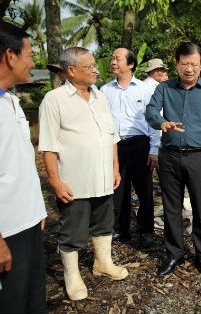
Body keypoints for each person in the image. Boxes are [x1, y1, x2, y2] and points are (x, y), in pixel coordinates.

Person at [39, 47, 128, 301]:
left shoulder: (100, 97)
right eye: (88, 66)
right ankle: (72, 275)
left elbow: (111, 135)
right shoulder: (54, 100)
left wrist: (115, 167)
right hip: (74, 180)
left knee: (104, 222)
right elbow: (48, 145)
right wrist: (55, 181)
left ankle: (103, 263)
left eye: (93, 65)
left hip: (102, 176)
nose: (95, 69)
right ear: (71, 71)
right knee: (73, 230)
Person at [145, 42, 201, 279]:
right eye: (184, 64)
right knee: (171, 208)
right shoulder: (164, 88)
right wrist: (161, 123)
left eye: (194, 64)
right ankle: (174, 253)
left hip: (198, 157)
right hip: (170, 157)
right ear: (176, 64)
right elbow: (151, 111)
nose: (189, 69)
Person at [0, 20, 47, 314]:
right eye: (29, 55)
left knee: (33, 297)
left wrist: (37, 209)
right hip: (6, 231)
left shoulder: (11, 101)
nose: (33, 62)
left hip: (27, 222)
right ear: (10, 56)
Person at [101, 47, 161, 249]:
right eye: (112, 58)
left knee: (144, 191)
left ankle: (146, 232)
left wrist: (154, 149)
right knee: (118, 189)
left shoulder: (144, 90)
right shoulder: (105, 90)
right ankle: (121, 228)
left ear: (131, 64)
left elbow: (153, 121)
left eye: (117, 59)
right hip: (116, 146)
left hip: (140, 144)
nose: (113, 62)